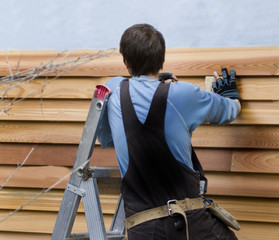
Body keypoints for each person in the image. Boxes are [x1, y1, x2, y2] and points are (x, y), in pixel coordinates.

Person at [98, 24, 241, 240]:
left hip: (142, 230)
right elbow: (229, 111)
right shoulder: (183, 94)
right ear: (161, 59)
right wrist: (231, 95)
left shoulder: (113, 92)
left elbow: (106, 139)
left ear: (126, 63)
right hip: (188, 225)